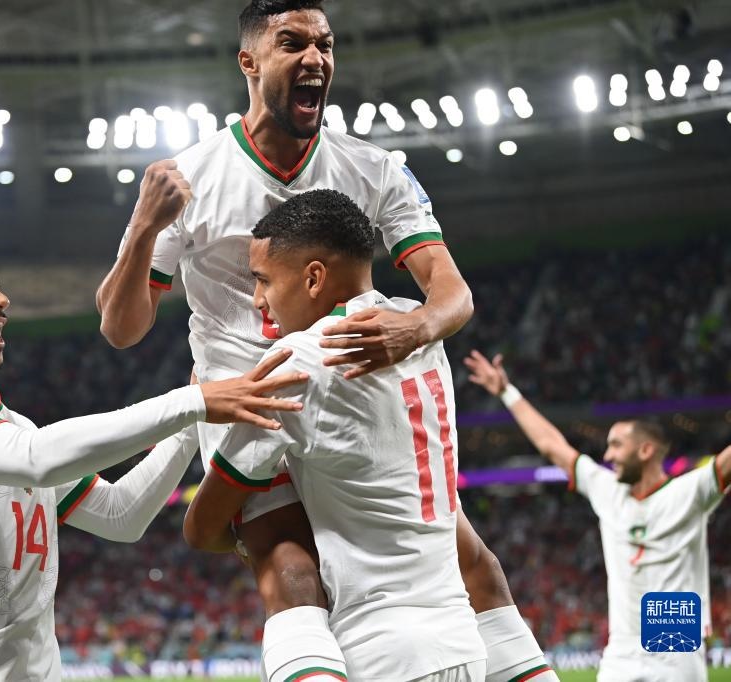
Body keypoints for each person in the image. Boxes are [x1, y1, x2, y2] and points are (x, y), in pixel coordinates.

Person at [97, 2, 555, 680]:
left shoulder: (374, 168)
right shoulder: (193, 177)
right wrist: (142, 229)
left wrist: (415, 326)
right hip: (253, 404)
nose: (314, 57)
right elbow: (121, 328)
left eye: (325, 44)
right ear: (249, 62)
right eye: (292, 43)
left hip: (348, 388)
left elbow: (451, 293)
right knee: (292, 571)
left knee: (475, 566)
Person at [0, 222, 308, 681]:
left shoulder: (12, 427)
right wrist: (192, 402)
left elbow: (120, 514)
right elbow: (35, 457)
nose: (1, 299)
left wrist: (193, 422)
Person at [184, 189, 487, 681]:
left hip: (382, 651)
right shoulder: (415, 327)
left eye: (263, 280)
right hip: (462, 644)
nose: (258, 301)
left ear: (313, 277)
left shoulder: (300, 360)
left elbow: (201, 527)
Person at [464, 349, 731, 682]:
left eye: (617, 445)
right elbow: (551, 446)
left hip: (677, 650)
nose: (608, 455)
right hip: (621, 655)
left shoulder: (689, 492)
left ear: (646, 450)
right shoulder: (607, 490)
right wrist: (507, 392)